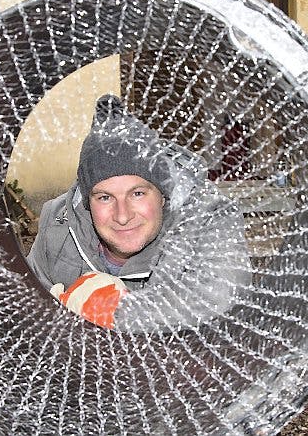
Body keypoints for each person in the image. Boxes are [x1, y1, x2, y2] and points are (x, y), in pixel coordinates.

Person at [25, 95, 252, 330]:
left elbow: (222, 293)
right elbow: (24, 302)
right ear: (86, 201)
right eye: (105, 197)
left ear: (163, 195)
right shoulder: (58, 222)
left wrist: (110, 311)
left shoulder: (207, 219)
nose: (122, 216)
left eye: (137, 194)